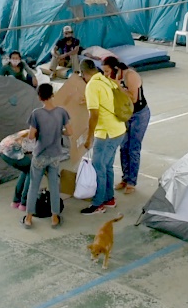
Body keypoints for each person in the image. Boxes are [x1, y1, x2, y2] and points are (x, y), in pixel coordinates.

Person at [80, 60, 126, 215]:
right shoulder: (106, 79)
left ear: (83, 74)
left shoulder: (92, 86)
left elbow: (94, 115)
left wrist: (89, 138)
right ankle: (109, 198)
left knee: (98, 166)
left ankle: (98, 203)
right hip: (119, 129)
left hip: (105, 132)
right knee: (107, 166)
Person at [21, 83, 71, 229]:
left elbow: (31, 136)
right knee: (54, 186)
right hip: (55, 155)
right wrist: (58, 132)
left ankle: (29, 218)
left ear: (39, 97)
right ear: (52, 94)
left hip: (40, 155)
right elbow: (70, 132)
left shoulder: (36, 114)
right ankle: (55, 217)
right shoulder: (62, 112)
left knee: (33, 186)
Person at [102, 56, 148, 196]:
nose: (105, 74)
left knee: (133, 148)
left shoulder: (130, 75)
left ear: (116, 69)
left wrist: (117, 86)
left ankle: (131, 181)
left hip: (139, 114)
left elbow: (133, 98)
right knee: (123, 147)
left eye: (107, 71)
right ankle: (125, 177)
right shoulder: (113, 78)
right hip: (125, 114)